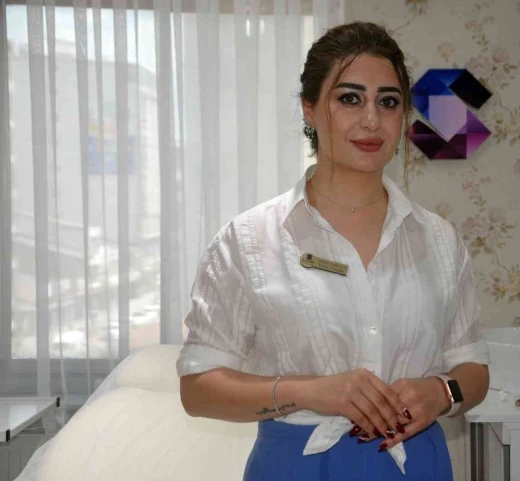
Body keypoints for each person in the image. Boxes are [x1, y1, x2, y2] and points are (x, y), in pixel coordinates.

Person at [176, 21, 490, 481]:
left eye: (388, 102)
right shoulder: (247, 241)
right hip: (295, 465)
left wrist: (443, 393)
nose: (371, 120)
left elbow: (473, 367)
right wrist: (308, 392)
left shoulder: (440, 240)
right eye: (349, 99)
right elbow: (198, 389)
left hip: (418, 464)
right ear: (309, 109)